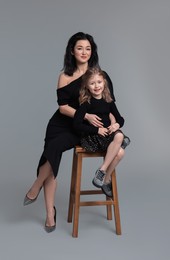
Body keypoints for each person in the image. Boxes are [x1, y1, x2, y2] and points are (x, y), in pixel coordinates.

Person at [23, 32, 124, 233]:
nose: (84, 52)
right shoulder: (65, 76)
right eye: (80, 48)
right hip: (62, 124)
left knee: (53, 154)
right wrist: (84, 115)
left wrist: (114, 125)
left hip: (86, 129)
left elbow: (110, 105)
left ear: (92, 51)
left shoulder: (100, 76)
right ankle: (49, 212)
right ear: (72, 50)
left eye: (88, 48)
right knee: (52, 151)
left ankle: (35, 186)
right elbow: (62, 108)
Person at [73, 67, 130, 198]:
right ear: (87, 86)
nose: (96, 86)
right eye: (92, 83)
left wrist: (116, 124)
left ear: (104, 82)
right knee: (120, 150)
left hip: (107, 136)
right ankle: (106, 178)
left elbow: (121, 119)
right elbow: (76, 125)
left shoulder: (108, 101)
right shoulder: (85, 103)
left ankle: (102, 172)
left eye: (99, 82)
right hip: (92, 137)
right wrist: (97, 130)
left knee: (119, 137)